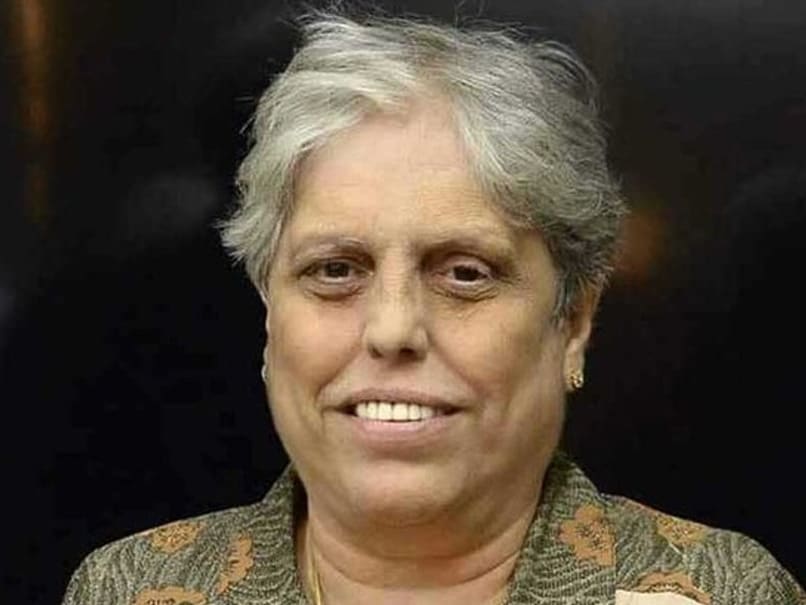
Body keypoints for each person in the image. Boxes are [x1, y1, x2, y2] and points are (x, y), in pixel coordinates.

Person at [61, 10, 803, 605]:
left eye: (465, 274)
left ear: (573, 321)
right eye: (334, 270)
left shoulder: (719, 592)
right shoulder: (133, 589)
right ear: (268, 313)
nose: (392, 329)